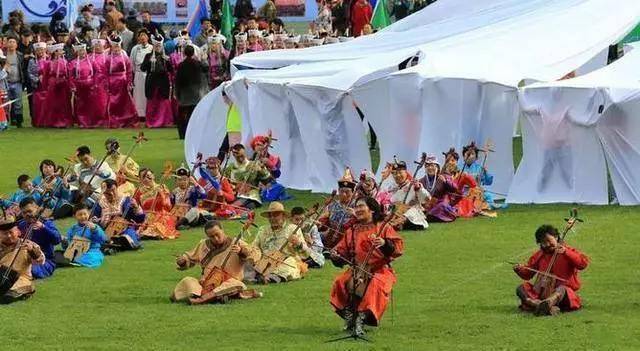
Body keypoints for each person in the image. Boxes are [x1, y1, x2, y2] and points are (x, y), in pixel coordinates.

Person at [329, 197, 404, 336]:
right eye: (356, 206)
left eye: (361, 206)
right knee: (340, 282)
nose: (358, 209)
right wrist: (335, 255)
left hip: (380, 269)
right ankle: (350, 316)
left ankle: (361, 320)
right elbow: (342, 251)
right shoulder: (352, 231)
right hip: (357, 269)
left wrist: (384, 243)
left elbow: (398, 248)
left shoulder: (383, 227)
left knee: (376, 284)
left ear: (372, 209)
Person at [172, 220, 262, 304]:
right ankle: (217, 296)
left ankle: (201, 299)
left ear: (222, 230)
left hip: (228, 282)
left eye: (217, 234)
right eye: (211, 236)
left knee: (237, 285)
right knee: (187, 280)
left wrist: (241, 251)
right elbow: (190, 258)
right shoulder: (203, 244)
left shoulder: (236, 243)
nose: (216, 238)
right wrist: (182, 261)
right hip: (206, 284)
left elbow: (255, 254)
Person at [514, 224, 589, 316]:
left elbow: (582, 264)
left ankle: (547, 303)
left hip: (562, 296)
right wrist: (519, 269)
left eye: (549, 241)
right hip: (541, 294)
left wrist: (566, 252)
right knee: (521, 288)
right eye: (543, 243)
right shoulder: (539, 255)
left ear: (556, 237)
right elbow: (528, 274)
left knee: (562, 289)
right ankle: (539, 304)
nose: (547, 245)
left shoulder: (567, 251)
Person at [249, 202, 310, 283]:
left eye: (276, 215)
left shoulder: (292, 229)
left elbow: (306, 254)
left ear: (283, 216)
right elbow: (254, 246)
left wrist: (298, 243)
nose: (272, 218)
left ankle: (271, 278)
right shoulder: (263, 230)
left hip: (285, 261)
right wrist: (256, 256)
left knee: (290, 266)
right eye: (270, 216)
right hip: (265, 261)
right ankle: (258, 275)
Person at [0, 214, 46, 304]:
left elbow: (41, 261)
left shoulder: (28, 244)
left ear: (18, 231)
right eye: (5, 233)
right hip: (1, 275)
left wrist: (32, 251)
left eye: (11, 232)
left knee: (9, 295)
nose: (9, 236)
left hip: (20, 278)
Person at [17, 197, 62, 279]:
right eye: (24, 213)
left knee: (30, 270)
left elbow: (57, 240)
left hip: (45, 260)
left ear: (36, 208)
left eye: (29, 211)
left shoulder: (46, 223)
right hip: (24, 258)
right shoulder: (20, 225)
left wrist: (43, 227)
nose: (27, 215)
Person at [95, 179, 144, 251]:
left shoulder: (126, 200)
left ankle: (113, 245)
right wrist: (96, 221)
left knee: (128, 234)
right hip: (105, 230)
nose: (111, 194)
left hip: (124, 229)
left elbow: (139, 219)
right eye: (107, 193)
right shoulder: (100, 203)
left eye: (113, 190)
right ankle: (112, 244)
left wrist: (136, 207)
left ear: (117, 188)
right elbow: (94, 220)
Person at [135, 168, 180, 240]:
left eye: (149, 175)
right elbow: (137, 210)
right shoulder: (138, 192)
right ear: (140, 179)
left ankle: (152, 233)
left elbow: (168, 206)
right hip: (147, 217)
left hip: (162, 215)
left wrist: (161, 194)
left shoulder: (162, 187)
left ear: (153, 176)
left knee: (159, 223)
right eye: (144, 177)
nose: (147, 178)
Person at [460, 141, 506, 210]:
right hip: (464, 192)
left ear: (476, 158)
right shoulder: (459, 168)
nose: (469, 156)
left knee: (488, 195)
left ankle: (488, 206)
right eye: (467, 154)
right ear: (463, 156)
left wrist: (486, 172)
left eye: (472, 154)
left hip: (477, 192)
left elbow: (488, 182)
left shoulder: (479, 168)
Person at [224, 144, 271, 210]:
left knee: (247, 203)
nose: (241, 158)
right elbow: (224, 182)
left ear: (244, 153)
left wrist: (261, 170)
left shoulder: (254, 164)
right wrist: (232, 187)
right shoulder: (230, 167)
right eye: (238, 156)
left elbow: (267, 181)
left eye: (242, 156)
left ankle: (232, 208)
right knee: (248, 206)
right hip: (234, 194)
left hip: (250, 195)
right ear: (233, 155)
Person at [141, 34, 174, 128]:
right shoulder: (148, 56)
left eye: (159, 46)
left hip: (163, 82)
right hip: (152, 82)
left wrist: (168, 61)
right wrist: (149, 61)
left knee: (163, 103)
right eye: (156, 46)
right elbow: (143, 68)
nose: (158, 47)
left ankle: (164, 121)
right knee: (152, 103)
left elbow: (171, 70)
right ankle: (151, 122)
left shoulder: (165, 57)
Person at [385, 160, 430, 230]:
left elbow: (426, 200)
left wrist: (418, 189)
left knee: (411, 211)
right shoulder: (391, 188)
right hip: (397, 214)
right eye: (395, 173)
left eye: (400, 172)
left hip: (414, 215)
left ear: (406, 172)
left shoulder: (414, 184)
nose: (398, 175)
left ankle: (396, 224)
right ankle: (395, 224)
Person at [105, 35, 138, 128]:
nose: (116, 48)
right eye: (115, 46)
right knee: (113, 103)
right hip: (112, 82)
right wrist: (107, 84)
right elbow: (105, 73)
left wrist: (129, 82)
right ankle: (115, 120)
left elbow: (129, 71)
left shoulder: (125, 57)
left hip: (123, 82)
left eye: (118, 46)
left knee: (125, 102)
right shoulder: (107, 59)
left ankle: (126, 120)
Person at [318, 171, 357, 249]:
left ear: (353, 193)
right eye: (342, 191)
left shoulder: (357, 205)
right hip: (330, 235)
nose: (344, 194)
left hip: (348, 237)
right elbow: (324, 220)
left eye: (347, 192)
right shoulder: (333, 205)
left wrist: (355, 214)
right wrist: (320, 223)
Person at [68, 41, 103, 128]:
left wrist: (95, 83)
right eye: (80, 51)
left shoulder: (91, 61)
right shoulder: (73, 63)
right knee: (80, 104)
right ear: (77, 52)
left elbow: (97, 72)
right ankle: (82, 122)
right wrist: (73, 85)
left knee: (91, 104)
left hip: (90, 85)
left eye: (83, 50)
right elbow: (71, 76)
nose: (82, 52)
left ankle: (92, 121)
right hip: (79, 86)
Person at [62, 204, 108, 268]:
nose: (83, 216)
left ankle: (75, 261)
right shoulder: (72, 229)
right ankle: (74, 261)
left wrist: (95, 229)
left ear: (88, 214)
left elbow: (103, 239)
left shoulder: (94, 226)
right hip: (75, 252)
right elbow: (68, 246)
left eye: (85, 214)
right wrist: (64, 241)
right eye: (80, 215)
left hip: (92, 251)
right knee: (61, 254)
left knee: (90, 257)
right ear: (74, 216)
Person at [419, 155, 462, 223]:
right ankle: (429, 215)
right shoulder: (421, 181)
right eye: (428, 166)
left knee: (442, 206)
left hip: (439, 205)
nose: (430, 168)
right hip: (426, 206)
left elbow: (455, 189)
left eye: (432, 165)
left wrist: (446, 182)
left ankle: (428, 216)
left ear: (437, 167)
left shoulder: (444, 177)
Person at [175, 45, 204, 139]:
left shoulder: (181, 65)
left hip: (184, 93)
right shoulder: (198, 64)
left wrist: (177, 93)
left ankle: (182, 134)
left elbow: (178, 80)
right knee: (194, 114)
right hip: (195, 92)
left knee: (182, 115)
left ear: (184, 53)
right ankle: (194, 133)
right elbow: (203, 75)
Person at [41, 42, 72, 128]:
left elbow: (68, 74)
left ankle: (64, 121)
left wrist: (69, 84)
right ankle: (53, 121)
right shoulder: (49, 63)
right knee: (53, 103)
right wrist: (45, 86)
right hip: (53, 83)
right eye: (59, 50)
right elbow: (46, 75)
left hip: (63, 83)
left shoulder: (65, 62)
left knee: (63, 103)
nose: (61, 52)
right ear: (55, 52)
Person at [130, 29, 154, 121]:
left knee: (147, 94)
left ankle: (148, 113)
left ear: (148, 37)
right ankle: (139, 114)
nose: (143, 37)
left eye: (144, 35)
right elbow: (131, 62)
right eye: (141, 35)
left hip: (148, 75)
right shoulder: (135, 48)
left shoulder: (152, 48)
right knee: (138, 95)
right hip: (138, 74)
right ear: (138, 38)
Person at [88, 39, 109, 127]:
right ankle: (94, 120)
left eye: (99, 46)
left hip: (104, 82)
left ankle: (104, 120)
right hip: (92, 81)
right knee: (93, 102)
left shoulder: (107, 56)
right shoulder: (89, 57)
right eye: (96, 46)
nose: (97, 47)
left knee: (104, 101)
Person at [27, 42, 48, 128]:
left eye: (42, 50)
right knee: (38, 105)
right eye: (38, 50)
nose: (40, 51)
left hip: (47, 86)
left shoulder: (49, 59)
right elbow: (29, 73)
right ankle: (38, 121)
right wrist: (37, 79)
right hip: (37, 86)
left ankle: (47, 121)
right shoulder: (32, 61)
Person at [4, 36, 23, 128]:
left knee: (18, 103)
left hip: (17, 82)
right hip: (5, 83)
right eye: (10, 42)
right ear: (6, 44)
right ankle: (5, 122)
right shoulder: (3, 55)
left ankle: (18, 122)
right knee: (6, 104)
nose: (11, 44)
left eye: (13, 42)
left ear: (16, 45)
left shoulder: (20, 55)